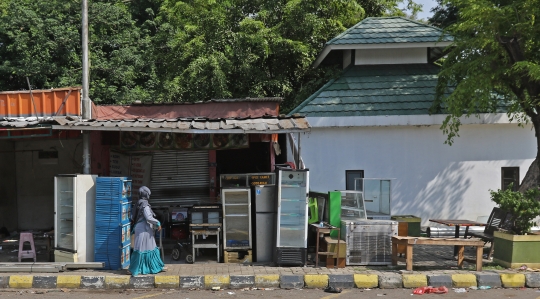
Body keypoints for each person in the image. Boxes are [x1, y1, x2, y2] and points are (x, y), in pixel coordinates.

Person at [128, 186, 166, 276]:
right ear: (146, 195)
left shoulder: (138, 203)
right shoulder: (145, 205)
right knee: (143, 248)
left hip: (141, 228)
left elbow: (133, 217)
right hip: (143, 229)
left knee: (144, 248)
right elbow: (148, 217)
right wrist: (158, 223)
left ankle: (147, 267)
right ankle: (137, 269)